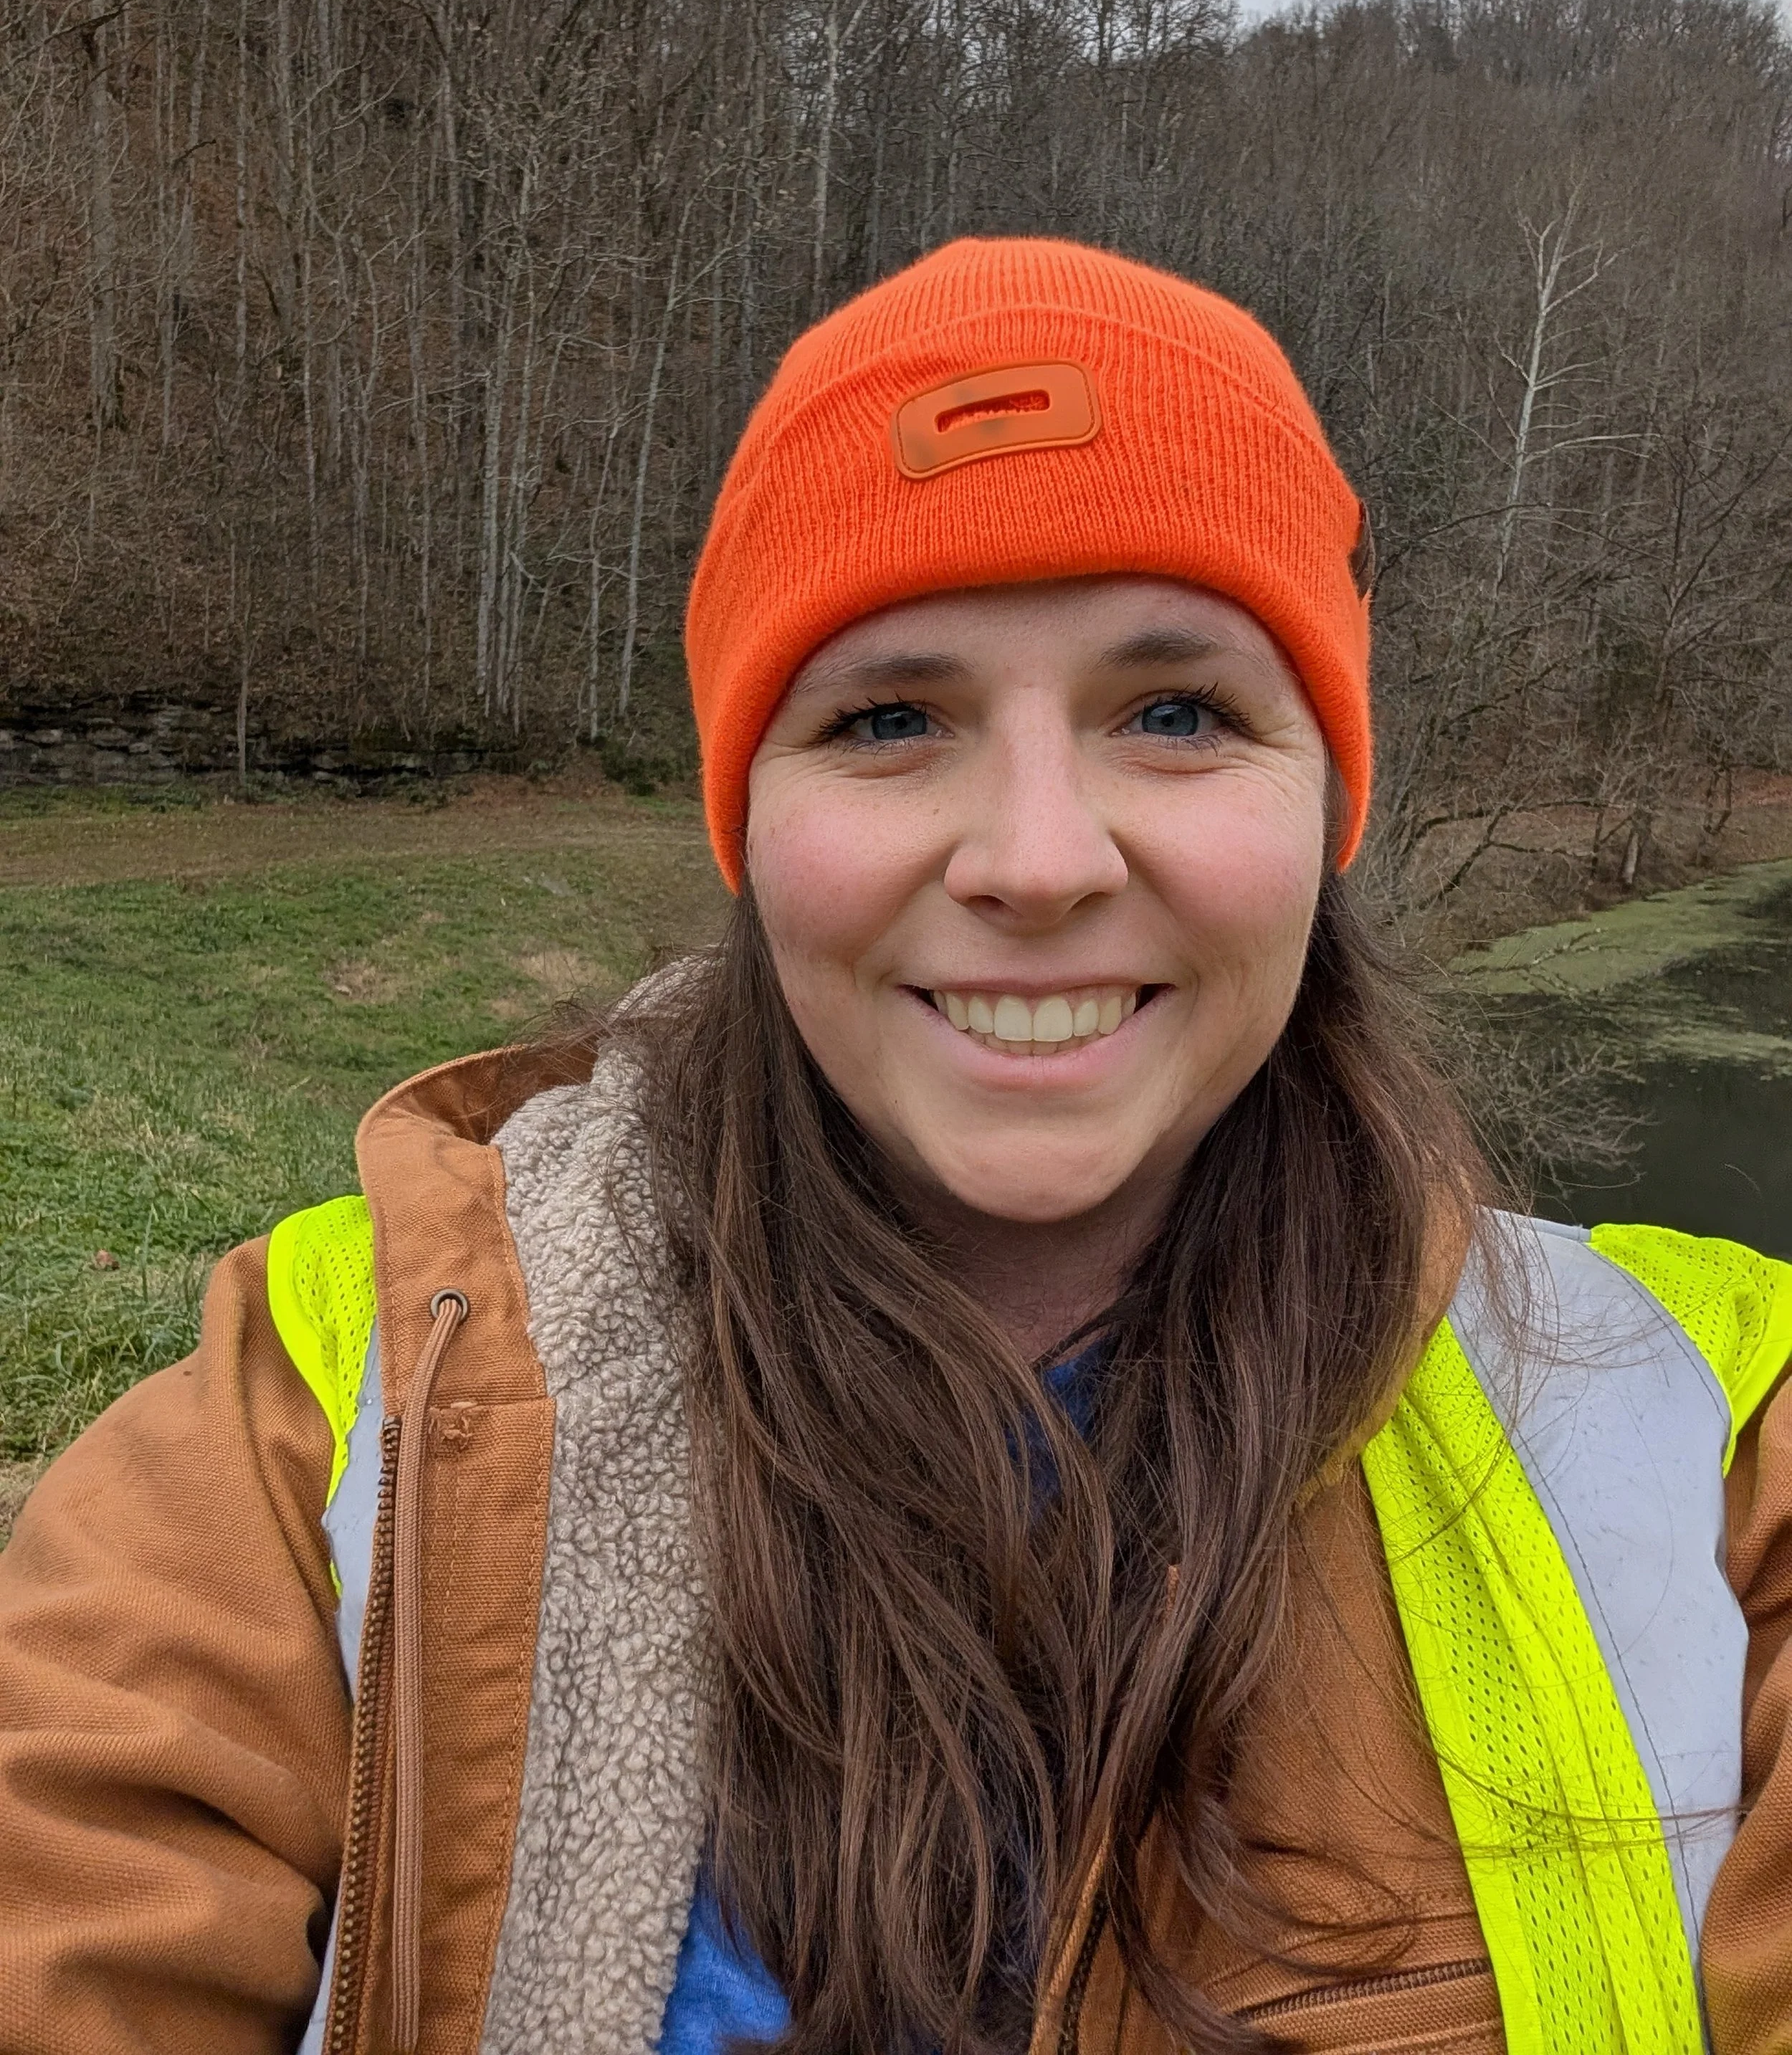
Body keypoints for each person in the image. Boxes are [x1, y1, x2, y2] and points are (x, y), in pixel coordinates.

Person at [1, 236, 1790, 2055]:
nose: (1035, 857)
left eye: (1172, 712)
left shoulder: (1713, 1447)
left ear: (1327, 797)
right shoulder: (327, 1419)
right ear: (746, 821)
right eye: (886, 720)